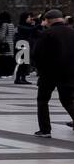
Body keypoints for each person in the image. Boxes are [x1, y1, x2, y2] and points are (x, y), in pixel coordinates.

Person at [33, 9, 74, 137]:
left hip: (48, 72)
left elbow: (37, 54)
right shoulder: (72, 32)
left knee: (43, 100)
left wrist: (39, 69)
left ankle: (45, 130)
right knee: (67, 99)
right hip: (69, 71)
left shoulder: (46, 33)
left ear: (48, 20)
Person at [16, 12, 37, 85]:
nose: (30, 18)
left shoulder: (28, 26)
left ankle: (22, 78)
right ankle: (18, 78)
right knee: (22, 63)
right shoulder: (21, 26)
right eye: (29, 17)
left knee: (25, 63)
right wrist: (38, 25)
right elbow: (30, 30)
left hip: (26, 44)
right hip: (22, 44)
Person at [0, 11, 16, 78]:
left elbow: (2, 36)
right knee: (9, 60)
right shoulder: (12, 25)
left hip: (4, 45)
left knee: (3, 60)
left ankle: (3, 73)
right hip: (10, 44)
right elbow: (13, 35)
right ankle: (10, 73)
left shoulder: (3, 25)